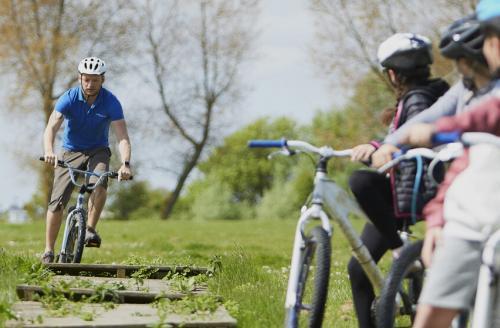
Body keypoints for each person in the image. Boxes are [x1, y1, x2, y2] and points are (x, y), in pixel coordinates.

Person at [400, 1, 500, 326]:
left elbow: (481, 118)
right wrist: (437, 218)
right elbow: (462, 164)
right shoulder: (485, 98)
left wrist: (437, 130)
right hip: (468, 227)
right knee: (429, 317)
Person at [347, 33, 449, 328]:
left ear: (392, 73)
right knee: (358, 268)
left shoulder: (417, 100)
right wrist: (378, 148)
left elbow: (416, 140)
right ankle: (408, 268)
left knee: (361, 183)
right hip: (409, 187)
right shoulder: (427, 95)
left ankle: (399, 250)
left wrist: (379, 151)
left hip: (416, 190)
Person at [41, 57, 132, 263]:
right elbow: (52, 127)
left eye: (95, 80)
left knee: (100, 183)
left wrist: (125, 164)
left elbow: (122, 137)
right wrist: (49, 151)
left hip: (98, 150)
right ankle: (48, 250)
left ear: (103, 79)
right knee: (57, 201)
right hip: (70, 151)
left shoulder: (111, 102)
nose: (90, 85)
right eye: (86, 80)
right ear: (80, 78)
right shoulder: (69, 98)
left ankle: (90, 229)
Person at [371, 14, 492, 168]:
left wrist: (436, 130)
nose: (459, 70)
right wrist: (389, 143)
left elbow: (480, 117)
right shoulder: (464, 87)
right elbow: (434, 113)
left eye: (460, 62)